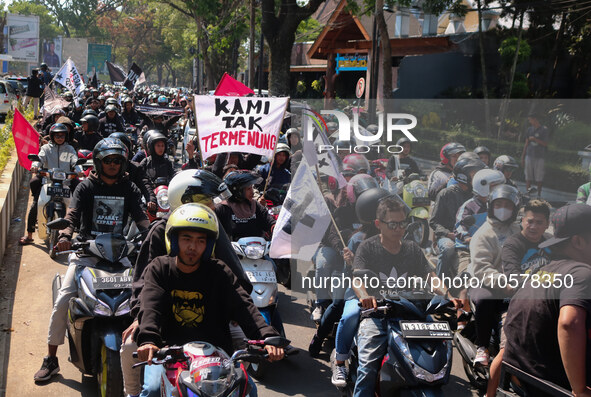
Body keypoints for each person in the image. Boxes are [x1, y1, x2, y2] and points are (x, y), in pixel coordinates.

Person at [120, 169, 251, 397]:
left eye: (200, 241)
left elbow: (237, 278)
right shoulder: (160, 232)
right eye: (208, 200)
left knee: (244, 376)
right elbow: (144, 284)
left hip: (212, 319)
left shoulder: (213, 229)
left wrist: (241, 315)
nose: (214, 205)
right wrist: (140, 317)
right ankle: (131, 393)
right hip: (163, 318)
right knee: (133, 349)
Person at [135, 203, 284, 396]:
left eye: (200, 241)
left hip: (216, 355)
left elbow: (244, 306)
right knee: (152, 389)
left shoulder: (219, 271)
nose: (192, 247)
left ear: (209, 245)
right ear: (174, 239)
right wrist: (148, 340)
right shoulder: (160, 268)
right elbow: (150, 305)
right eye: (186, 238)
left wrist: (266, 337)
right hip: (169, 353)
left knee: (247, 388)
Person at [33, 138, 149, 382]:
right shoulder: (85, 187)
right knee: (63, 299)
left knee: (145, 297)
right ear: (98, 161)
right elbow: (72, 215)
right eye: (108, 160)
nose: (113, 164)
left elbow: (140, 218)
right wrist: (65, 235)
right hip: (86, 252)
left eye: (117, 160)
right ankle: (51, 359)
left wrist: (151, 235)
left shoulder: (129, 188)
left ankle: (152, 357)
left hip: (121, 253)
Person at [352, 196, 459, 397]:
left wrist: (447, 295)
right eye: (393, 224)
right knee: (367, 366)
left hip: (413, 313)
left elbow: (430, 276)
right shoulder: (367, 247)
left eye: (402, 223)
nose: (399, 228)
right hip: (379, 314)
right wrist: (365, 296)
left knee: (440, 353)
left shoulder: (412, 248)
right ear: (378, 224)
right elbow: (357, 279)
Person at [504, 203, 591, 396]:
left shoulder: (541, 269)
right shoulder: (581, 273)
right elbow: (569, 323)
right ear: (577, 241)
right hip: (553, 385)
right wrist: (580, 390)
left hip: (521, 375)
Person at [484, 199, 552, 397]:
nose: (533, 226)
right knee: (508, 351)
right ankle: (489, 394)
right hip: (515, 304)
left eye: (539, 222)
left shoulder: (550, 243)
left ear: (547, 224)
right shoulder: (513, 244)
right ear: (522, 221)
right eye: (530, 221)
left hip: (545, 304)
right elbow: (513, 279)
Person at [468, 184, 521, 367]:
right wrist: (504, 283)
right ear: (491, 206)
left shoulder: (519, 230)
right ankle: (483, 347)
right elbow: (482, 268)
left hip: (517, 283)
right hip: (487, 283)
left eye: (508, 205)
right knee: (485, 300)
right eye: (499, 204)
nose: (503, 209)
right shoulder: (483, 234)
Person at [19, 124, 80, 245]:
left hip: (65, 183)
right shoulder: (46, 148)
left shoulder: (70, 149)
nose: (60, 138)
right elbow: (39, 158)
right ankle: (29, 235)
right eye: (57, 135)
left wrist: (79, 170)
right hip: (48, 182)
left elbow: (75, 161)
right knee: (36, 205)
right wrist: (35, 166)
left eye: (62, 135)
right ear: (52, 136)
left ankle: (80, 234)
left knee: (76, 207)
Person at [430, 157, 486, 277]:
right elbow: (434, 222)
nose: (477, 177)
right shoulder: (446, 194)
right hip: (449, 236)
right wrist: (448, 233)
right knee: (448, 248)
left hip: (470, 236)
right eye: (474, 174)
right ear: (463, 176)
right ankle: (440, 283)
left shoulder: (477, 196)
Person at [215, 170, 275, 241]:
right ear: (237, 191)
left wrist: (275, 227)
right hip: (234, 251)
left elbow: (269, 222)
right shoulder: (223, 208)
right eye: (248, 189)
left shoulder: (255, 205)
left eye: (252, 188)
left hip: (259, 249)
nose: (252, 192)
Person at [139, 131, 176, 209]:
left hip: (165, 198)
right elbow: (140, 179)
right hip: (148, 198)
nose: (161, 148)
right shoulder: (146, 162)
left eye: (162, 145)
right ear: (152, 147)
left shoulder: (167, 162)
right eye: (158, 145)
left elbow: (174, 176)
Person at [521, 112, 549, 198]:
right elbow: (526, 143)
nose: (530, 121)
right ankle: (528, 194)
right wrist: (523, 156)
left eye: (530, 120)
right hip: (529, 155)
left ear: (535, 119)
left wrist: (535, 139)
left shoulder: (544, 129)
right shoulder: (529, 130)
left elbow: (545, 144)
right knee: (528, 176)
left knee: (539, 177)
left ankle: (539, 195)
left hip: (540, 156)